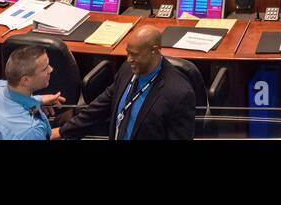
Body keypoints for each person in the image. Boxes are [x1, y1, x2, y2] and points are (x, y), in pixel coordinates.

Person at [56, 25, 195, 141]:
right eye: (128, 53)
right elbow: (99, 108)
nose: (129, 60)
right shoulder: (127, 70)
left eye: (134, 54)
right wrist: (62, 131)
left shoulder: (179, 93)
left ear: (154, 50)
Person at [0, 46, 62, 140]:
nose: (51, 69)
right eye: (45, 69)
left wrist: (37, 100)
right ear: (26, 80)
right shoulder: (31, 131)